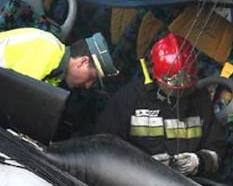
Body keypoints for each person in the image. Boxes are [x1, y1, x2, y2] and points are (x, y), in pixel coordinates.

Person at [95, 32, 226, 177]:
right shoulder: (129, 99)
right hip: (135, 184)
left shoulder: (200, 101)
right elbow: (102, 149)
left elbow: (217, 151)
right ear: (154, 74)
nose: (180, 92)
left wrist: (199, 162)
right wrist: (141, 164)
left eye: (186, 86)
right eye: (174, 86)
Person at [0, 27, 118, 89]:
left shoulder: (56, 70)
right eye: (91, 78)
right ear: (82, 62)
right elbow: (16, 91)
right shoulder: (47, 50)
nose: (88, 85)